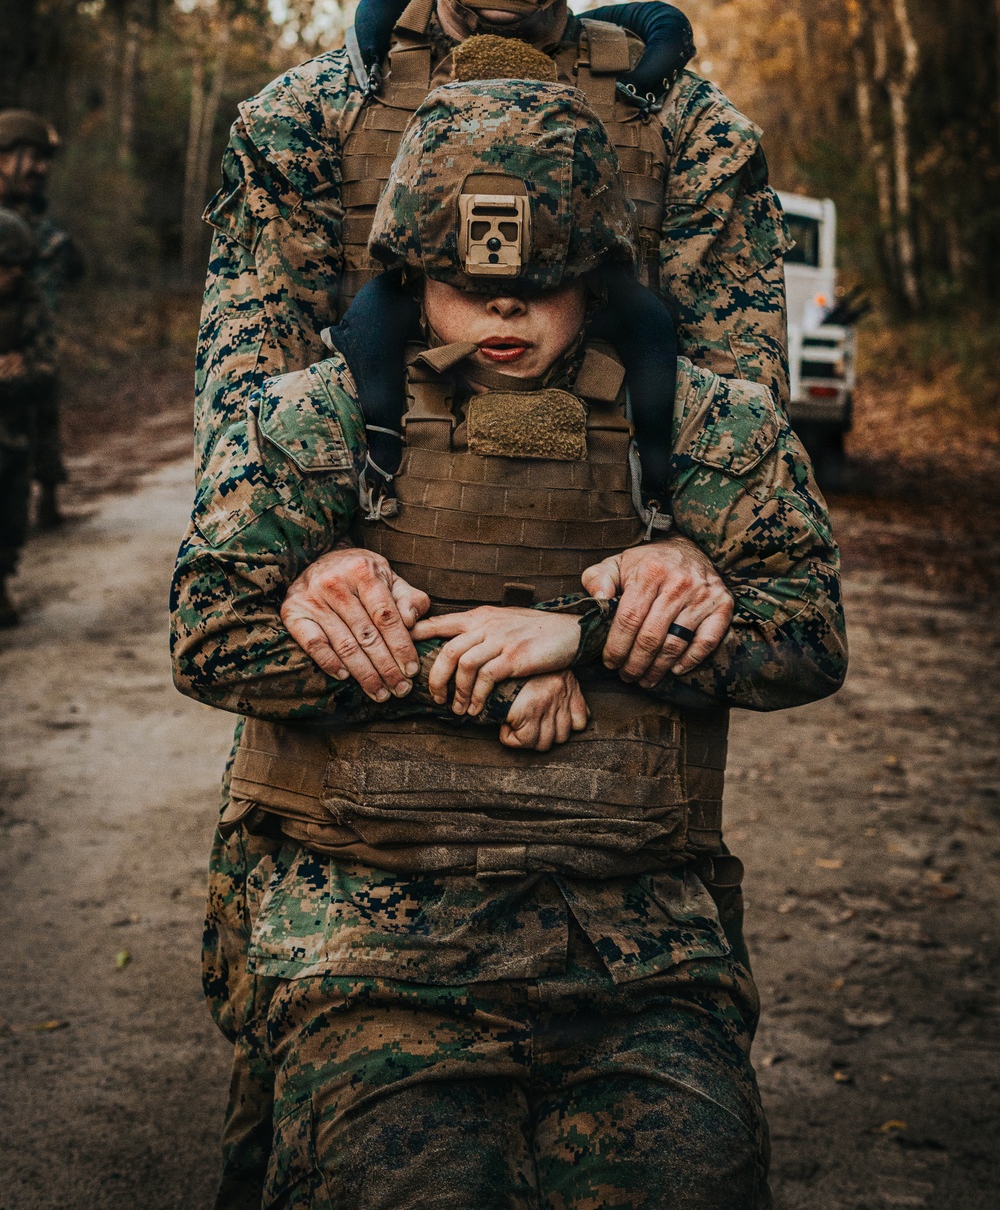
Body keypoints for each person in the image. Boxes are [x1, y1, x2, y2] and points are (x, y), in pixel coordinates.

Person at [173, 78, 846, 1208]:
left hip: (635, 945)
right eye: (466, 285)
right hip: (371, 936)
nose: (504, 314)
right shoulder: (317, 419)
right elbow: (208, 631)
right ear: (408, 275)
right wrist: (477, 674)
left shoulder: (698, 424)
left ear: (596, 278)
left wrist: (580, 638)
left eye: (542, 288)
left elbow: (810, 628)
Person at [0, 109, 85, 530]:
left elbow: (69, 272)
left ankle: (44, 489)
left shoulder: (42, 227)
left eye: (44, 160)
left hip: (31, 343)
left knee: (40, 394)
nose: (41, 169)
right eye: (32, 157)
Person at [0, 209, 56, 627]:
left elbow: (45, 367)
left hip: (13, 432)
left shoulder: (30, 302)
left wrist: (24, 370)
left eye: (20, 265)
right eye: (6, 265)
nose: (15, 273)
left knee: (10, 517)